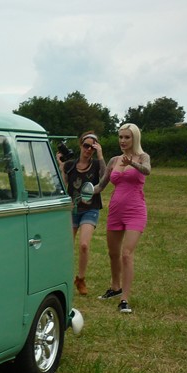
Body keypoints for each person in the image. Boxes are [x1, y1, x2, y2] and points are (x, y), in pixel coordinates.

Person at [98, 123, 151, 313]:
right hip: (115, 211)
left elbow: (147, 170)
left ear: (134, 138)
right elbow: (101, 185)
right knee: (113, 253)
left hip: (135, 210)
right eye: (120, 137)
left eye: (127, 137)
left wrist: (132, 163)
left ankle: (125, 299)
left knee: (126, 254)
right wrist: (84, 193)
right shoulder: (114, 160)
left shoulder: (143, 157)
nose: (122, 141)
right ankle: (115, 287)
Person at [58, 132, 109, 295]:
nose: (88, 149)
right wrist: (60, 165)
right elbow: (62, 184)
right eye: (86, 145)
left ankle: (80, 279)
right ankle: (63, 277)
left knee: (84, 245)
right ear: (80, 145)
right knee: (67, 246)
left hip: (90, 208)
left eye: (92, 147)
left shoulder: (95, 164)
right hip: (73, 210)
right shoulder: (71, 165)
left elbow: (105, 177)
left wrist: (100, 155)